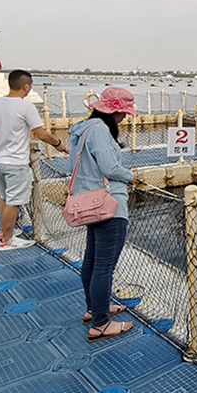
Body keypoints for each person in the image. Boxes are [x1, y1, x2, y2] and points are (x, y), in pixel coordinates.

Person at [67, 88, 141, 343]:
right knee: (104, 266)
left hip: (88, 202)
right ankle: (100, 324)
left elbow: (74, 165)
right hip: (109, 203)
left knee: (91, 261)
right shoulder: (100, 130)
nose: (124, 118)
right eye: (123, 113)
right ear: (115, 110)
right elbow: (109, 167)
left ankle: (94, 308)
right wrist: (132, 176)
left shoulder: (81, 129)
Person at [0, 70, 69, 250]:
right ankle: (7, 240)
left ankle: (4, 232)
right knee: (14, 201)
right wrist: (58, 144)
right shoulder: (26, 107)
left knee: (4, 198)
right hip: (15, 162)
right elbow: (42, 134)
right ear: (26, 86)